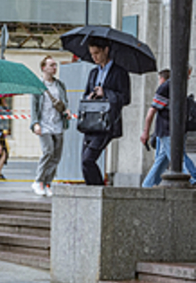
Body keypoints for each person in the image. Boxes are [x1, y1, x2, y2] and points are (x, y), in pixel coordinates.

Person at [81, 37, 131, 185]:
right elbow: (85, 94)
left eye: (96, 53)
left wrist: (106, 93)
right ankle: (94, 191)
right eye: (91, 54)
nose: (94, 57)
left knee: (88, 159)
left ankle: (99, 191)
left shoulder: (120, 73)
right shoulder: (93, 73)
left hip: (107, 123)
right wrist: (89, 97)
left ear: (106, 50)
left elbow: (126, 98)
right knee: (83, 163)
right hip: (90, 122)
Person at [140, 67, 196, 187]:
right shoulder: (166, 87)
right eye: (187, 74)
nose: (188, 77)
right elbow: (151, 111)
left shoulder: (178, 87)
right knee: (178, 158)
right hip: (168, 130)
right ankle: (193, 179)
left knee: (162, 161)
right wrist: (146, 132)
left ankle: (147, 185)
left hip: (172, 129)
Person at [31, 56, 70, 196]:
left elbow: (65, 102)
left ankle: (47, 183)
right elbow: (34, 106)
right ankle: (38, 181)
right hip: (44, 125)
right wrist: (35, 123)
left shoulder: (60, 85)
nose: (54, 67)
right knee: (48, 151)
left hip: (58, 124)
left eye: (55, 65)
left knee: (56, 156)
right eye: (51, 65)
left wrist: (67, 111)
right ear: (44, 68)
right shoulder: (38, 85)